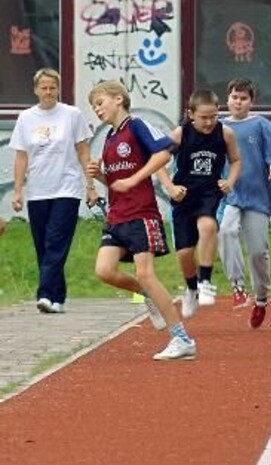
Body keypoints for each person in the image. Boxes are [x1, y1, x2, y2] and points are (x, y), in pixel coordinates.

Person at [87, 80, 196, 361]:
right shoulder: (110, 139)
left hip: (141, 214)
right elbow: (116, 182)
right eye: (94, 106)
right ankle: (147, 294)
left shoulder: (136, 126)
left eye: (100, 103)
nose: (97, 110)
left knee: (146, 273)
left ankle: (182, 339)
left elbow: (163, 152)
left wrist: (135, 178)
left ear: (119, 99)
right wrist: (99, 176)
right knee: (104, 271)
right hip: (117, 216)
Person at [10, 68, 97, 314]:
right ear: (36, 90)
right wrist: (18, 191)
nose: (48, 92)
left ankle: (45, 293)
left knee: (55, 241)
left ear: (58, 89)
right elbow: (21, 157)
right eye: (43, 87)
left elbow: (83, 151)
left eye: (52, 87)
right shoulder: (26, 118)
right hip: (38, 190)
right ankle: (57, 298)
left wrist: (90, 187)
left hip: (66, 188)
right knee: (42, 245)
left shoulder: (71, 115)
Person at [158, 90, 242, 320]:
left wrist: (230, 181)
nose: (209, 122)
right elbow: (158, 161)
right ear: (191, 114)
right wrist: (170, 187)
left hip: (209, 192)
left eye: (214, 116)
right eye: (204, 117)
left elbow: (236, 160)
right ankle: (192, 288)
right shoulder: (180, 134)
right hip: (184, 196)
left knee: (208, 227)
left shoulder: (225, 133)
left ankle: (205, 281)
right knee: (185, 253)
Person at [218, 78, 271, 329]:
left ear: (251, 101)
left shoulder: (260, 125)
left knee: (258, 252)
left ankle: (261, 298)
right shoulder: (217, 126)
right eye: (234, 97)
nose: (238, 102)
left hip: (257, 197)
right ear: (227, 99)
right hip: (230, 195)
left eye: (243, 98)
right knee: (226, 231)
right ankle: (237, 286)